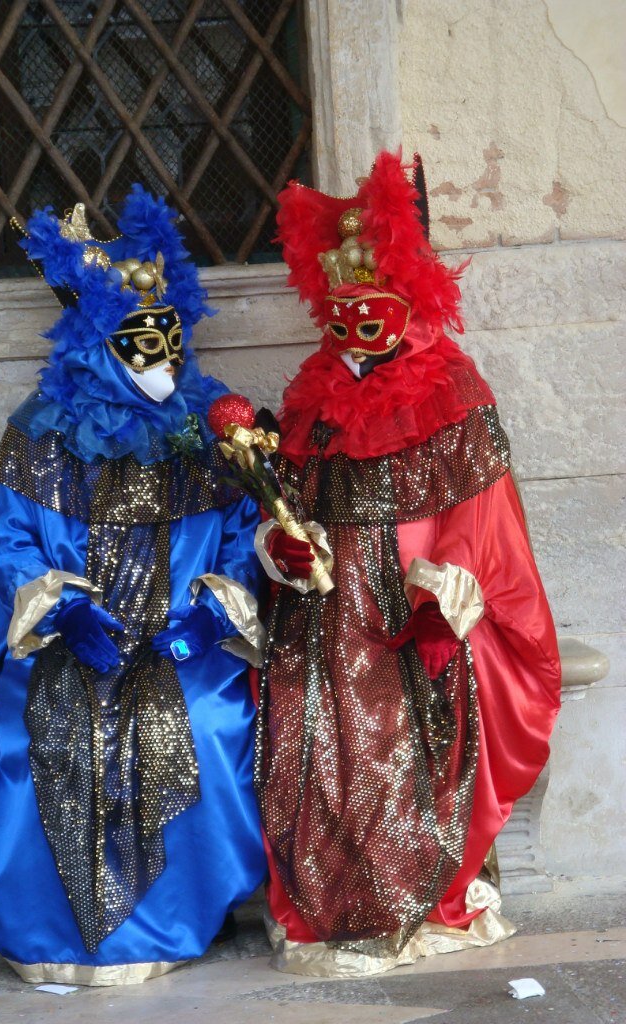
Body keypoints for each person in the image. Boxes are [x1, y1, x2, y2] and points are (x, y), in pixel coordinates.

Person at [0, 188, 266, 985]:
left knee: (202, 721)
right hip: (72, 641)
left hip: (180, 643)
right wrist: (64, 613)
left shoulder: (207, 432)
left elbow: (240, 533)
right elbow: (9, 545)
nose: (162, 359)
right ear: (99, 343)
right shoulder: (41, 433)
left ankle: (184, 912)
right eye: (141, 343)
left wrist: (209, 615)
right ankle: (64, 932)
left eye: (170, 339)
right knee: (48, 734)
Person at [253, 151, 561, 976]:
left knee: (410, 722)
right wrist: (283, 551)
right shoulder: (311, 398)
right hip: (326, 617)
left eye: (373, 318)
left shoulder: (453, 391)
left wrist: (441, 598)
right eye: (342, 320)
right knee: (306, 727)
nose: (357, 339)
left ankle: (423, 896)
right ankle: (335, 903)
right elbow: (287, 509)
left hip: (418, 616)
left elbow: (481, 518)